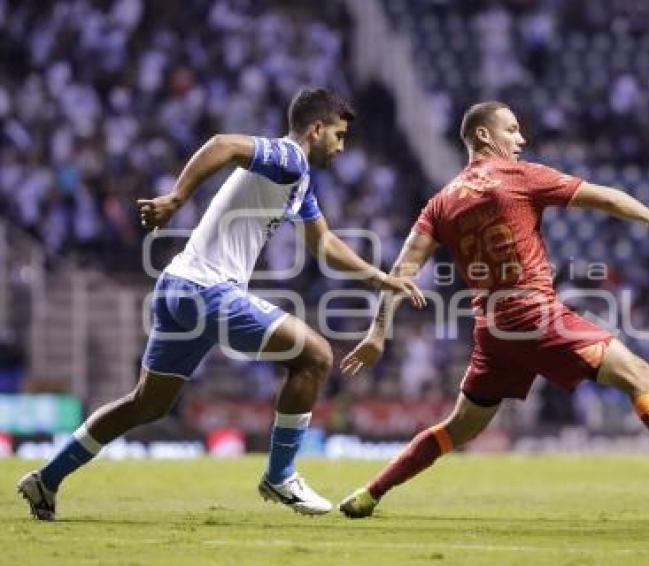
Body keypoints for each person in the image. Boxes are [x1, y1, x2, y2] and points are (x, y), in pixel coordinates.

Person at [17, 88, 425, 521]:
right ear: (316, 129)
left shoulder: (298, 180)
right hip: (208, 291)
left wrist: (381, 278)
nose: (342, 148)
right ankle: (281, 474)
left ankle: (47, 479)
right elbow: (223, 145)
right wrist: (176, 198)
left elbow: (323, 243)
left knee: (147, 404)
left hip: (177, 287)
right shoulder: (290, 157)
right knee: (316, 357)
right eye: (339, 136)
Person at [337, 101, 649, 518]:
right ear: (483, 135)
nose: (521, 139)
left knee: (461, 426)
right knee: (637, 373)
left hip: (491, 330)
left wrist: (377, 332)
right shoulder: (519, 176)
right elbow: (601, 198)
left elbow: (398, 272)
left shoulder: (440, 203)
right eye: (511, 130)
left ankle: (370, 492)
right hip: (533, 314)